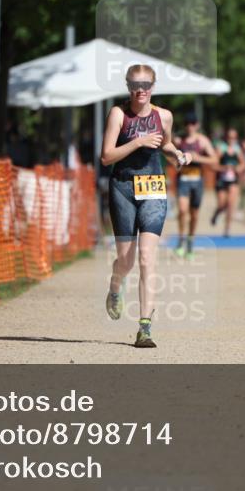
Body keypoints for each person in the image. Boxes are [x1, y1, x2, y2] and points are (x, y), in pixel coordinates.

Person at [101, 64, 189, 348]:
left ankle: (145, 328)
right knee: (125, 261)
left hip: (153, 188)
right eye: (135, 84)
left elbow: (165, 144)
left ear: (153, 86)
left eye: (146, 84)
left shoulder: (164, 115)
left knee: (146, 258)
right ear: (128, 86)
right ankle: (116, 285)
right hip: (123, 187)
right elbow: (106, 156)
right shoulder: (118, 114)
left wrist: (177, 154)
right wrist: (138, 141)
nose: (141, 89)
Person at [174, 112, 217, 257]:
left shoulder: (203, 141)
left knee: (194, 215)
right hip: (183, 180)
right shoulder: (179, 140)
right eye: (187, 123)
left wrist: (199, 158)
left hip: (197, 181)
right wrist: (177, 162)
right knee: (182, 210)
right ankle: (180, 240)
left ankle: (190, 241)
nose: (189, 126)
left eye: (192, 123)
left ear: (197, 125)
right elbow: (170, 157)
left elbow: (214, 159)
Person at [211, 127, 245, 237]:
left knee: (231, 204)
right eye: (230, 137)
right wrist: (224, 168)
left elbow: (243, 164)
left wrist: (238, 168)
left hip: (233, 181)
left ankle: (227, 229)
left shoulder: (237, 149)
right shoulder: (221, 148)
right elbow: (213, 165)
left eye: (234, 137)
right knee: (222, 204)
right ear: (226, 137)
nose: (232, 139)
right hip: (221, 180)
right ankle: (216, 214)